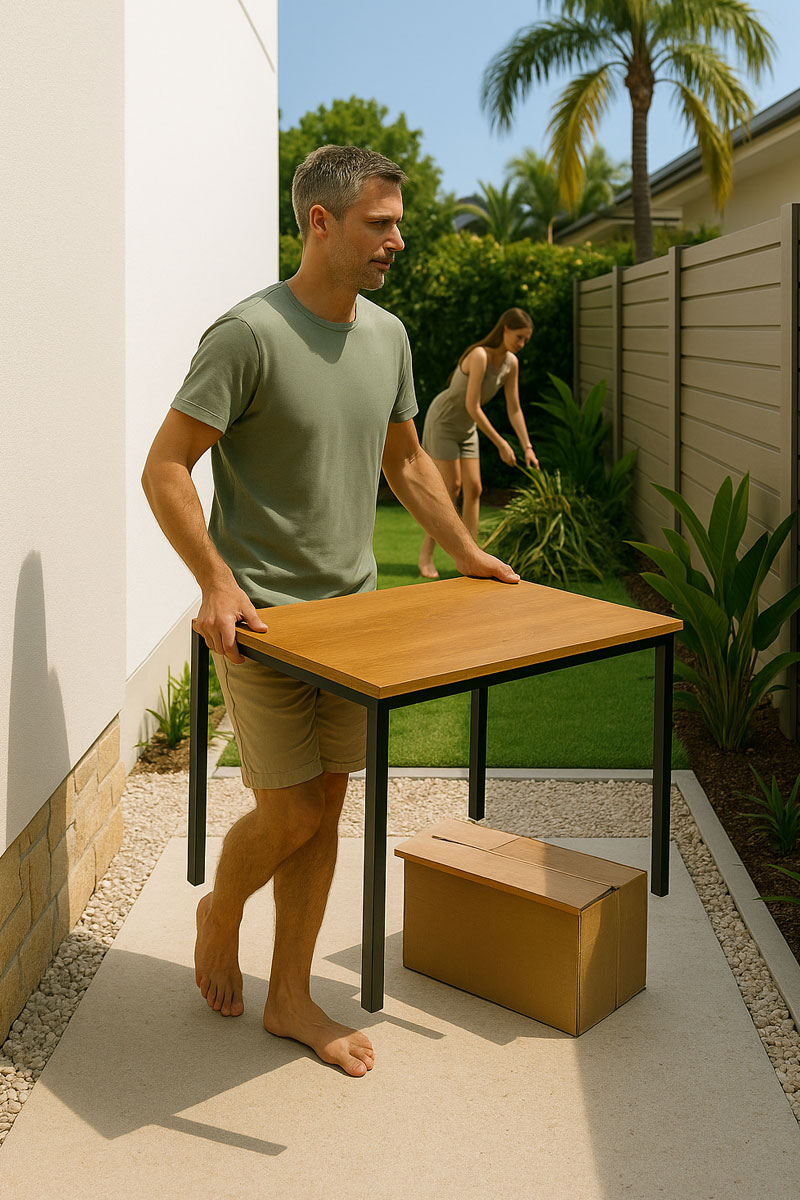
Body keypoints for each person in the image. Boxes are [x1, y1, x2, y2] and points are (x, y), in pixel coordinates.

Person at [141, 144, 520, 1079]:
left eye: (398, 220)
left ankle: (293, 997)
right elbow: (165, 468)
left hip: (357, 623)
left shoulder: (387, 336)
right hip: (264, 623)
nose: (398, 237)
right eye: (379, 222)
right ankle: (221, 907)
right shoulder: (248, 335)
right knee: (289, 815)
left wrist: (466, 552)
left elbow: (405, 462)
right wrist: (216, 581)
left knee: (330, 805)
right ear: (320, 222)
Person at [417, 309, 539, 579]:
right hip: (445, 422)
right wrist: (500, 443)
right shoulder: (480, 355)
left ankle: (473, 556)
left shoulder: (511, 364)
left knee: (474, 488)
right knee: (450, 490)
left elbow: (515, 408)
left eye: (525, 340)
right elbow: (472, 405)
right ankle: (426, 555)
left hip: (467, 427)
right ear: (505, 328)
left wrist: (527, 446)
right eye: (519, 337)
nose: (521, 344)